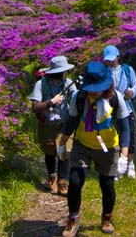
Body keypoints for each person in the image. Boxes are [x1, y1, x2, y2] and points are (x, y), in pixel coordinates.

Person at [57, 61, 131, 236]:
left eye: (98, 87)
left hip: (108, 147)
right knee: (75, 181)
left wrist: (124, 155)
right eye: (91, 87)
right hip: (82, 144)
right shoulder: (79, 97)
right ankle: (73, 219)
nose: (94, 91)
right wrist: (62, 144)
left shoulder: (116, 98)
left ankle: (107, 217)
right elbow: (71, 121)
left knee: (107, 185)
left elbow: (125, 127)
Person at [29, 55, 77, 196]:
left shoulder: (68, 82)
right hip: (47, 123)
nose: (65, 73)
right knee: (49, 151)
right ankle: (52, 176)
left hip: (64, 122)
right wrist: (51, 102)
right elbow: (35, 106)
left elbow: (75, 97)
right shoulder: (40, 84)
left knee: (64, 151)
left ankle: (63, 182)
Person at [102, 44, 136, 179]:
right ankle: (116, 167)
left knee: (129, 138)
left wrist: (132, 92)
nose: (110, 62)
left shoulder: (128, 70)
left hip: (128, 108)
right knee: (114, 139)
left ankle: (130, 165)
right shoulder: (104, 72)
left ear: (118, 57)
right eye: (108, 60)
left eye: (112, 59)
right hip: (110, 110)